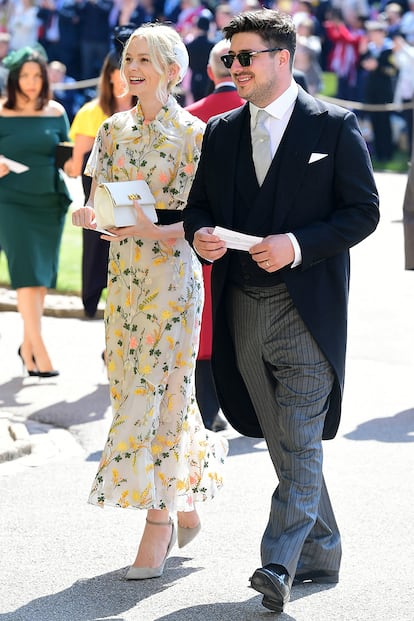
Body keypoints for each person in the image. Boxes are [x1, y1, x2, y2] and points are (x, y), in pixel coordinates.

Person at [183, 9, 380, 614]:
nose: (233, 67)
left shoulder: (335, 126)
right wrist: (201, 237)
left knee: (296, 434)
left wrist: (295, 246)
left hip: (309, 313)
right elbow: (198, 209)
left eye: (245, 57)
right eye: (229, 57)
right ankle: (323, 549)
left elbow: (363, 212)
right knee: (286, 442)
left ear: (282, 59)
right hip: (243, 307)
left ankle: (278, 562)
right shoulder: (219, 134)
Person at [71, 23, 228, 580]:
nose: (131, 66)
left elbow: (203, 217)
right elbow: (96, 200)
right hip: (126, 286)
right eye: (128, 57)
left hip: (174, 287)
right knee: (132, 392)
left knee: (165, 395)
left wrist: (158, 230)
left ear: (171, 70)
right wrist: (88, 215)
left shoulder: (195, 134)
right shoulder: (112, 129)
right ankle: (185, 498)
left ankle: (157, 525)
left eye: (144, 58)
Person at [0, 46, 72, 377]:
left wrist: (72, 163)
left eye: (37, 75)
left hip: (49, 201)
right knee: (26, 276)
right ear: (14, 79)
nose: (31, 82)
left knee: (41, 280)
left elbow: (66, 156)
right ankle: (40, 353)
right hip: (11, 202)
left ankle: (27, 347)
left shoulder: (56, 110)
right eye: (25, 76)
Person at [186, 38, 244, 432]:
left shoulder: (189, 118)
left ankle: (206, 410)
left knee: (204, 325)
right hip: (252, 239)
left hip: (200, 235)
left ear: (209, 72)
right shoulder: (260, 115)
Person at [64, 48, 137, 318]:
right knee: (96, 250)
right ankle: (92, 302)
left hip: (133, 190)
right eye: (119, 68)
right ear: (107, 75)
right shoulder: (90, 113)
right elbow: (77, 162)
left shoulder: (145, 111)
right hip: (98, 190)